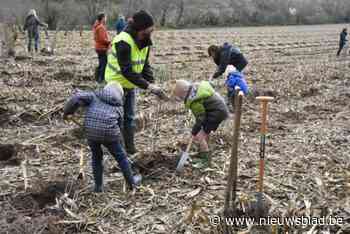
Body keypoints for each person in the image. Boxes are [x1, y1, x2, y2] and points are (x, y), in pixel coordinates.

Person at [104, 10, 165, 155]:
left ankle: (130, 151)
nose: (151, 33)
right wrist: (148, 86)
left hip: (131, 86)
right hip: (115, 86)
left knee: (129, 119)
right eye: (148, 30)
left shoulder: (144, 41)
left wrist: (153, 83)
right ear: (140, 28)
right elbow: (127, 71)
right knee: (116, 120)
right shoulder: (123, 41)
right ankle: (117, 152)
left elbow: (144, 65)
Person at [63, 82, 142, 192]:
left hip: (91, 132)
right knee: (122, 158)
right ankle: (132, 184)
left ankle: (98, 187)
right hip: (110, 134)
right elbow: (119, 128)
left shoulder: (93, 96)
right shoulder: (119, 107)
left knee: (96, 157)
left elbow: (76, 98)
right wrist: (121, 145)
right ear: (120, 95)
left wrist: (67, 112)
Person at [172, 80, 229, 168]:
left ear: (183, 94)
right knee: (205, 132)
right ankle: (204, 151)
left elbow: (200, 118)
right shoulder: (196, 88)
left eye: (180, 97)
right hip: (219, 109)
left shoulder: (194, 100)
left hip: (215, 114)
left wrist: (194, 131)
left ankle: (205, 161)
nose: (181, 100)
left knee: (199, 135)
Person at [93, 13, 110, 83]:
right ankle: (101, 79)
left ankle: (97, 78)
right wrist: (109, 42)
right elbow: (102, 39)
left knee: (101, 63)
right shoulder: (101, 27)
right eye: (105, 17)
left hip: (98, 47)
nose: (106, 19)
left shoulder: (98, 26)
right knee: (104, 64)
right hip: (102, 48)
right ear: (103, 18)